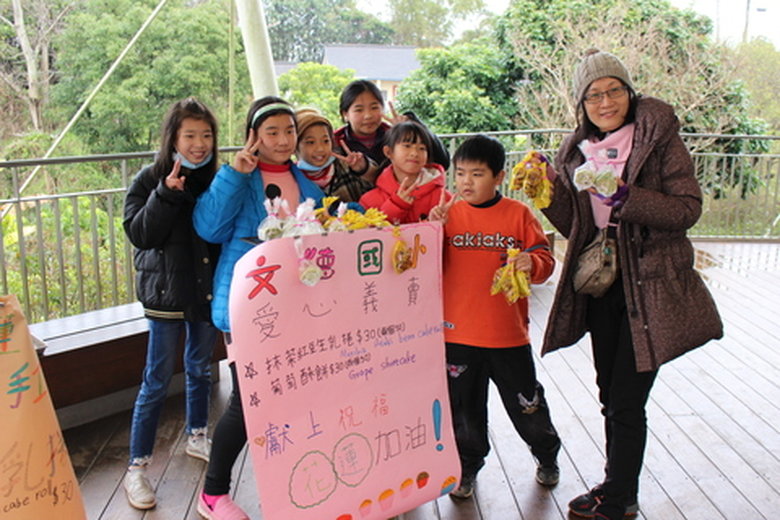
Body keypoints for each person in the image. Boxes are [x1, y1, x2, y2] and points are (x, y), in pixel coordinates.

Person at [539, 49, 723, 520]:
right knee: (610, 393)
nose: (605, 102)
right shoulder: (575, 151)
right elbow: (576, 225)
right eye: (594, 95)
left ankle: (620, 496)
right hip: (603, 282)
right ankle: (616, 486)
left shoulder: (657, 138)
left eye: (614, 90)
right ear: (581, 104)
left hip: (652, 285)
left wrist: (627, 197)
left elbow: (687, 208)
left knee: (625, 398)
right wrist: (548, 191)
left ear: (629, 92)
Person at [192, 96, 324, 520]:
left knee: (295, 392)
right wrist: (235, 174)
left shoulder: (305, 181)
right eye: (272, 132)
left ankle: (291, 483)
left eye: (290, 131)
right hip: (247, 301)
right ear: (254, 136)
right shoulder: (240, 177)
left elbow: (325, 224)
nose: (283, 140)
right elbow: (209, 227)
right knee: (247, 402)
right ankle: (213, 494)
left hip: (295, 302)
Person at [428, 134, 561, 500]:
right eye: (460, 173)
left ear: (499, 177)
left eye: (477, 174)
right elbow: (422, 263)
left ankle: (547, 454)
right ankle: (467, 468)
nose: (466, 182)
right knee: (464, 412)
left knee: (527, 406)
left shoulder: (519, 215)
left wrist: (531, 261)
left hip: (507, 336)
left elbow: (545, 262)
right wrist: (431, 229)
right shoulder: (447, 214)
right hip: (457, 335)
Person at [122, 97, 221, 510]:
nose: (199, 144)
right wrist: (165, 193)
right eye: (190, 135)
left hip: (203, 291)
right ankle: (137, 467)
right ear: (173, 139)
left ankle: (197, 435)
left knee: (200, 368)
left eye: (206, 135)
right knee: (157, 379)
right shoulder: (150, 178)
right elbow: (140, 234)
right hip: (164, 294)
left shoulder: (216, 179)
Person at [334, 79, 450, 172]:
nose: (368, 115)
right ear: (345, 114)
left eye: (374, 108)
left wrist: (413, 126)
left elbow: (442, 162)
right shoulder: (334, 142)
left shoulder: (395, 137)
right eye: (359, 110)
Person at [358, 120, 451, 224]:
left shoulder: (443, 198)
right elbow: (368, 232)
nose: (414, 153)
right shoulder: (369, 201)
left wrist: (436, 223)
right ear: (388, 152)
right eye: (407, 146)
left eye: (422, 148)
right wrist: (396, 205)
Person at [295, 107, 377, 202]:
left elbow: (377, 183)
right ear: (295, 145)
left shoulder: (346, 165)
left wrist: (363, 168)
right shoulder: (292, 177)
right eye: (310, 142)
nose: (320, 148)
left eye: (326, 141)